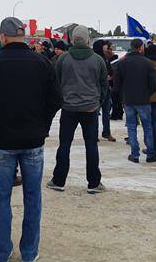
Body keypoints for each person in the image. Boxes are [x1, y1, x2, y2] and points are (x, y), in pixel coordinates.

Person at [0, 17, 60, 262]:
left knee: (1, 199)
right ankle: (28, 252)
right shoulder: (42, 62)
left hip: (2, 141)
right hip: (32, 140)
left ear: (3, 38)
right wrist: (42, 124)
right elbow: (55, 100)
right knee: (33, 198)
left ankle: (2, 251)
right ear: (23, 36)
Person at [47, 25, 107, 194]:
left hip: (69, 109)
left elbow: (56, 83)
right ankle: (94, 183)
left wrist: (62, 100)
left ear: (73, 39)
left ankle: (58, 180)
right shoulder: (97, 60)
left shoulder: (63, 59)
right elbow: (103, 85)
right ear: (88, 39)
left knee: (64, 145)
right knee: (91, 146)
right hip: (90, 109)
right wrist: (98, 102)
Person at [113, 38, 156, 163]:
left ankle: (135, 154)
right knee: (147, 127)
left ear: (131, 47)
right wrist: (148, 94)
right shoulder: (148, 63)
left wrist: (122, 95)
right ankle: (150, 154)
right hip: (143, 99)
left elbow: (117, 83)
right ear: (141, 48)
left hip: (128, 99)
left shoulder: (122, 63)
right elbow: (154, 83)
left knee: (131, 127)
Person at [92, 39, 115, 142]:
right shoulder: (95, 59)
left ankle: (107, 132)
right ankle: (94, 134)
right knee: (95, 113)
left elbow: (110, 70)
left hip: (107, 89)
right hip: (97, 90)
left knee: (106, 112)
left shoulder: (106, 58)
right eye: (105, 46)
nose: (107, 48)